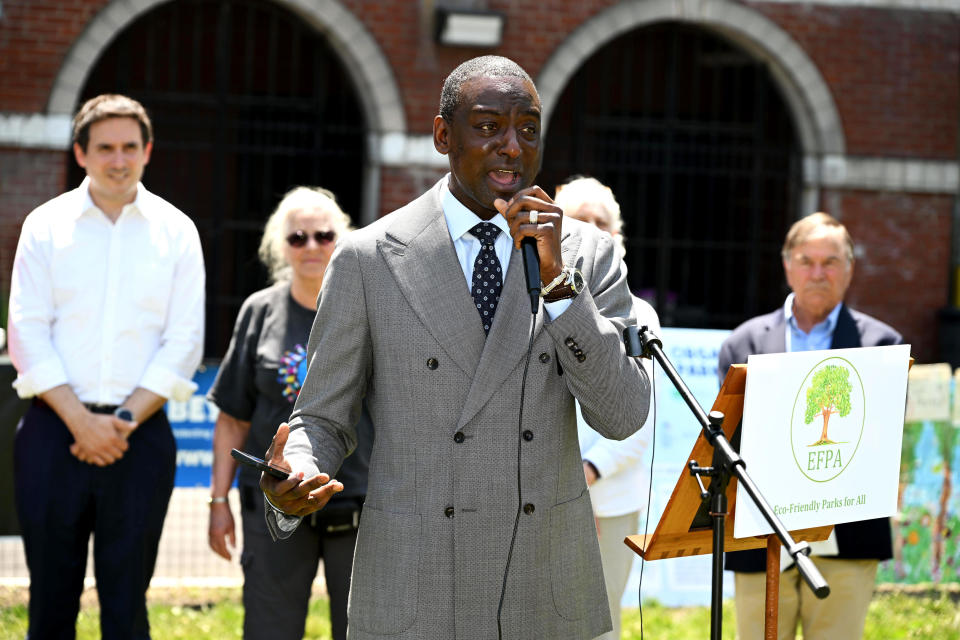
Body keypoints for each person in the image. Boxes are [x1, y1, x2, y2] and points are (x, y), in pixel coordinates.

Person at [257, 55, 651, 639]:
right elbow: (321, 417)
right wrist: (298, 472)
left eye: (528, 128)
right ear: (444, 134)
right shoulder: (371, 257)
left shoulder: (586, 253)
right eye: (489, 126)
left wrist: (560, 283)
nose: (513, 147)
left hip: (542, 583)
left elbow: (622, 415)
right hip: (416, 580)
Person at [7, 93, 205, 638]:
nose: (118, 159)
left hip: (138, 437)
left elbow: (185, 339)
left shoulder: (177, 231)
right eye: (105, 148)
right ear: (80, 153)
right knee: (49, 603)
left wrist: (118, 422)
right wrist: (80, 421)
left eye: (129, 147)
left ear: (147, 151)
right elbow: (26, 329)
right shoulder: (44, 226)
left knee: (126, 604)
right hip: (54, 432)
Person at [717, 212, 902, 640]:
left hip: (849, 538)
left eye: (831, 262)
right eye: (807, 260)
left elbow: (879, 442)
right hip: (762, 539)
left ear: (850, 269)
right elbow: (734, 438)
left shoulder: (883, 346)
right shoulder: (742, 344)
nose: (818, 273)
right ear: (787, 266)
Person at [206, 186, 373, 640]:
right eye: (297, 237)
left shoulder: (370, 306)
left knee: (365, 632)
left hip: (359, 505)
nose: (312, 246)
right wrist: (218, 502)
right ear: (279, 246)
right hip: (274, 507)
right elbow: (233, 419)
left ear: (342, 239)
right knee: (268, 630)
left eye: (323, 235)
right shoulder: (259, 312)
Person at [555, 176, 658, 640]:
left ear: (617, 237)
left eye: (602, 223)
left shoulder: (640, 315)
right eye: (578, 221)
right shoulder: (529, 306)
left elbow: (640, 418)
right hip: (540, 497)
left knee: (601, 626)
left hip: (612, 501)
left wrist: (587, 472)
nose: (592, 231)